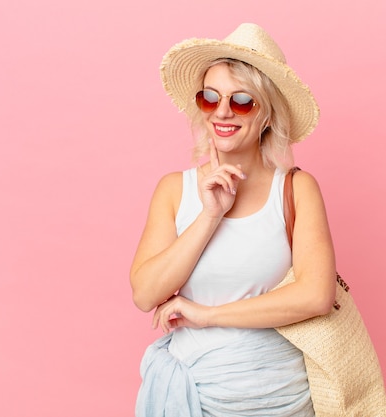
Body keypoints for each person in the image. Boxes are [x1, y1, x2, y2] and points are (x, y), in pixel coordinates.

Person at [130, 23, 337, 416]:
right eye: (210, 98)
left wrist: (207, 316)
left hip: (281, 398)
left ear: (268, 115)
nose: (222, 112)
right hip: (192, 399)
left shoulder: (296, 189)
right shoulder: (175, 190)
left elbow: (316, 296)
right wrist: (210, 216)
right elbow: (145, 293)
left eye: (242, 101)